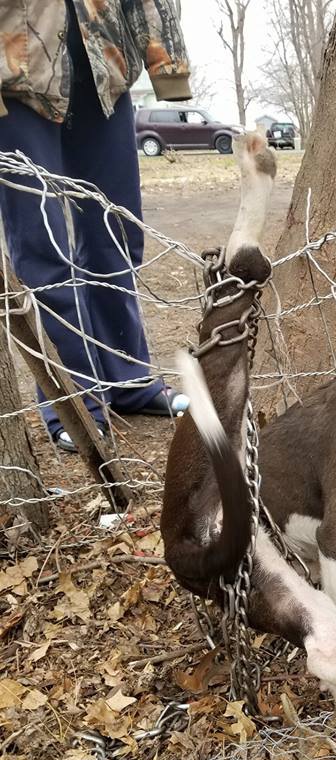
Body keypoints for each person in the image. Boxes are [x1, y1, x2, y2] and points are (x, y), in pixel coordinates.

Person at [0, 0, 191, 452]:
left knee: (117, 232)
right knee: (43, 245)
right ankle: (73, 398)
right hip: (16, 66)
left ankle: (128, 377)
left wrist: (169, 67)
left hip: (104, 62)